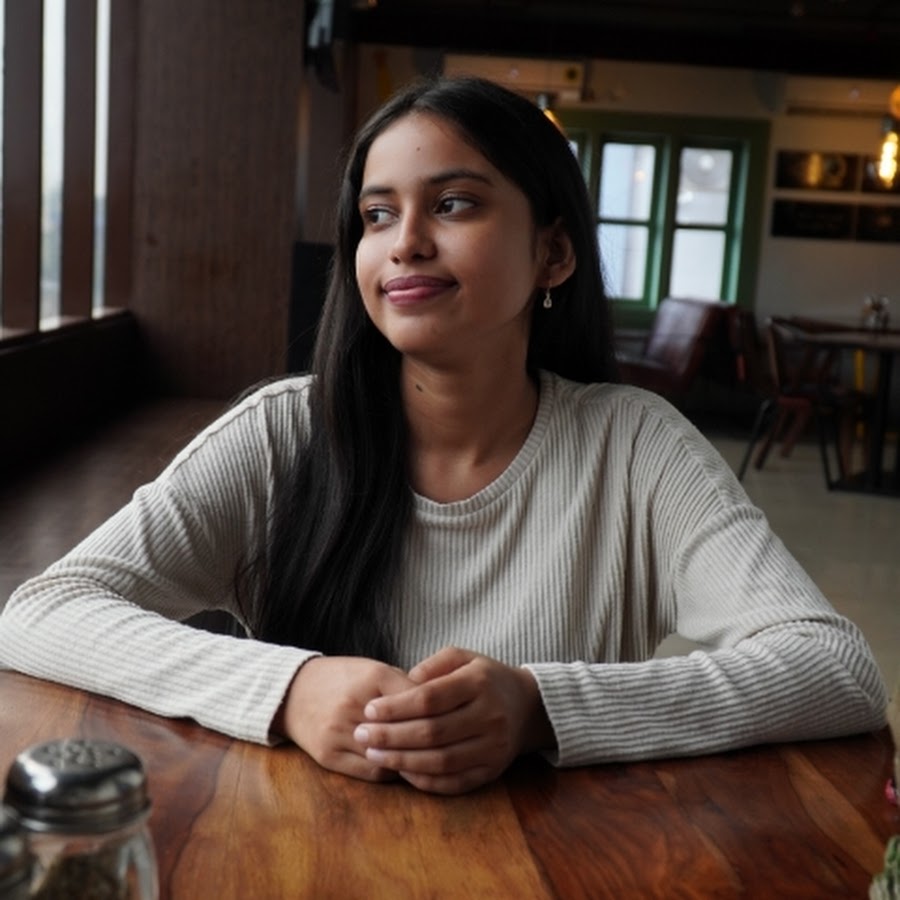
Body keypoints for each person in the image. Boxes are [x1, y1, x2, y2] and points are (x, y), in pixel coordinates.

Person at [0, 76, 886, 796]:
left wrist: (540, 707)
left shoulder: (634, 446)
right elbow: (43, 612)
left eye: (454, 204)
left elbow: (835, 668)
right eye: (378, 215)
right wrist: (290, 687)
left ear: (553, 254)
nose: (406, 243)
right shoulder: (284, 434)